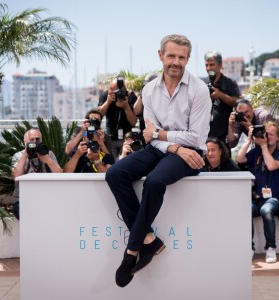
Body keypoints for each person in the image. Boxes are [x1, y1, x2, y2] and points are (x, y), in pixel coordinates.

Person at [105, 34, 211, 287]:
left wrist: (163, 136)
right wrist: (172, 144)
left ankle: (132, 251)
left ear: (187, 59)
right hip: (165, 149)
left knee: (154, 181)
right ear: (160, 55)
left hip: (191, 154)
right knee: (115, 174)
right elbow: (149, 136)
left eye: (182, 57)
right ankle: (149, 240)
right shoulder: (150, 89)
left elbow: (196, 136)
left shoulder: (199, 89)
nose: (176, 62)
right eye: (171, 55)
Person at [235, 120, 279, 263]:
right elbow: (239, 159)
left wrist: (264, 146)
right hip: (257, 198)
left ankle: (271, 248)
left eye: (272, 134)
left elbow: (272, 165)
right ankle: (250, 248)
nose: (268, 136)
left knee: (266, 210)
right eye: (266, 134)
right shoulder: (256, 152)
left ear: (278, 137)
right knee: (245, 209)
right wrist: (248, 140)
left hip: (275, 198)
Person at [12, 128, 63, 219]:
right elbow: (16, 176)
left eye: (37, 139)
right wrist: (25, 154)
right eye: (32, 140)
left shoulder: (48, 154)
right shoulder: (18, 156)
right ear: (25, 142)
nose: (35, 142)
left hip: (47, 198)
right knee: (28, 218)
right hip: (23, 200)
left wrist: (48, 161)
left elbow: (61, 175)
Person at [203, 51, 241, 142]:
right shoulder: (201, 83)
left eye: (212, 65)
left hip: (223, 137)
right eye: (206, 65)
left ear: (220, 65)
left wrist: (220, 95)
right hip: (204, 136)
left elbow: (238, 103)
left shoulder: (230, 83)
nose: (209, 68)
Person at [98, 75, 137, 160]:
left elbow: (133, 122)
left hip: (127, 138)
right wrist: (108, 102)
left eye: (116, 90)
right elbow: (99, 114)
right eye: (111, 89)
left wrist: (126, 106)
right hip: (110, 137)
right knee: (112, 162)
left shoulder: (130, 96)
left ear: (123, 89)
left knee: (125, 162)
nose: (114, 92)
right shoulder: (106, 95)